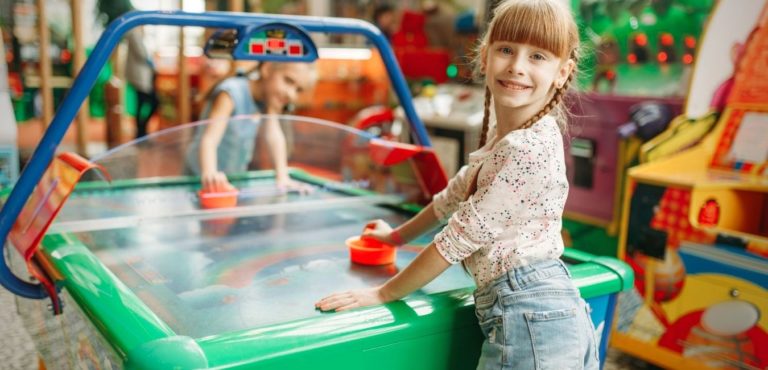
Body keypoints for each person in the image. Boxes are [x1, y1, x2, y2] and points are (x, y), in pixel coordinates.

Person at [316, 0, 599, 368]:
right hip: (539, 315)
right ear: (485, 56)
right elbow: (451, 198)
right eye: (507, 50)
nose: (517, 66)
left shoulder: (528, 148)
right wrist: (396, 238)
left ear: (563, 72)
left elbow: (455, 240)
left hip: (532, 318)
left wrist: (384, 294)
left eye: (538, 56)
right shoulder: (510, 135)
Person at [185, 62, 316, 193]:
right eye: (288, 80)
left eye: (298, 89)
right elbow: (209, 139)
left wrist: (282, 177)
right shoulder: (231, 92)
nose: (291, 94)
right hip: (200, 178)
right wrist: (210, 173)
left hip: (232, 178)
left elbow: (274, 134)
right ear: (267, 69)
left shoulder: (269, 99)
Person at [125, 26, 158, 139]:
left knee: (143, 103)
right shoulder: (134, 34)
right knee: (150, 101)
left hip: (143, 76)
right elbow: (142, 54)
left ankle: (141, 130)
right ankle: (140, 130)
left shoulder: (140, 34)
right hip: (140, 76)